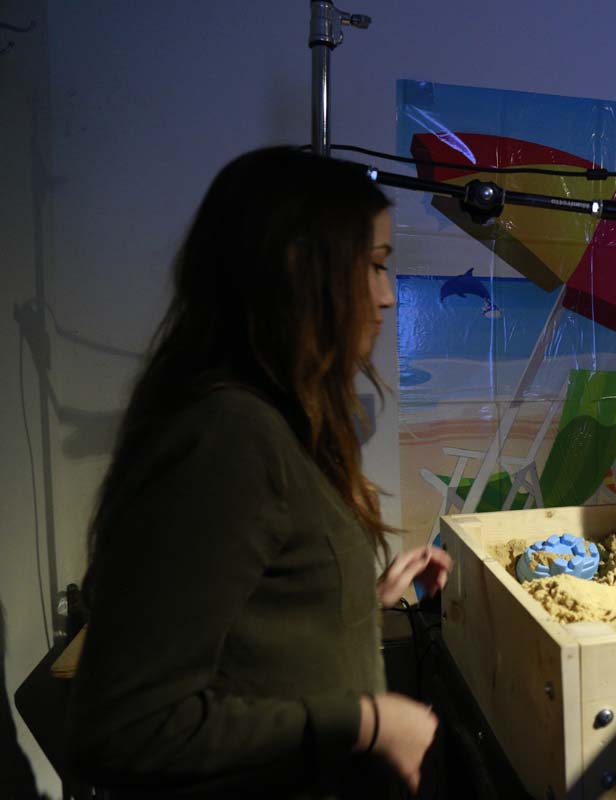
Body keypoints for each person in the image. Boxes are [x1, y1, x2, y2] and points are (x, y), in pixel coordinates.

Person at [64, 147, 453, 798]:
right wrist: (366, 720)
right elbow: (124, 727)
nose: (388, 297)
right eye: (378, 266)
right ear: (301, 272)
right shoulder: (228, 438)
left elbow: (248, 618)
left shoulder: (271, 422)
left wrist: (353, 602)